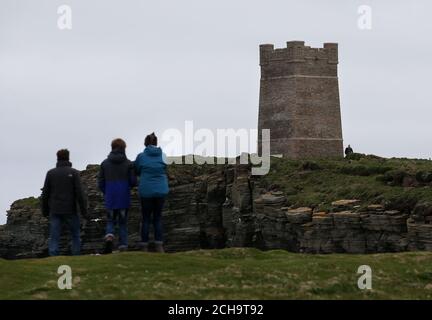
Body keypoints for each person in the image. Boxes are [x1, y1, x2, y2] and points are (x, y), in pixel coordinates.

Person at [41, 149, 87, 256]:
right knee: (75, 235)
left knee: (54, 236)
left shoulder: (51, 173)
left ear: (57, 157)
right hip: (70, 209)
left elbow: (45, 194)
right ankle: (76, 255)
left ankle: (53, 256)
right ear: (68, 157)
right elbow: (80, 193)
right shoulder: (73, 172)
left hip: (55, 210)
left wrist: (45, 211)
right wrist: (84, 211)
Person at [98, 138, 136, 254]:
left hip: (110, 196)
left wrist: (107, 191)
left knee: (110, 220)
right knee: (123, 222)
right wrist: (127, 188)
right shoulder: (128, 163)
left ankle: (109, 236)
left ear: (112, 147)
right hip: (123, 196)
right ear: (124, 148)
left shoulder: (105, 163)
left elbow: (100, 182)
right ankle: (123, 246)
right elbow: (133, 181)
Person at [135, 133, 169, 253]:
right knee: (157, 218)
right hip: (161, 190)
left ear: (145, 143)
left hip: (146, 191)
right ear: (156, 143)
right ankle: (159, 245)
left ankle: (144, 246)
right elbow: (165, 168)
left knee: (145, 218)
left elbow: (137, 170)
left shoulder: (141, 157)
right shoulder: (163, 156)